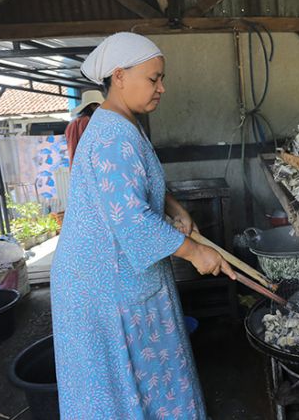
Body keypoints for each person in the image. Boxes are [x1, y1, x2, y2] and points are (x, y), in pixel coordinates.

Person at [50, 32, 236, 419]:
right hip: (105, 287)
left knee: (145, 382)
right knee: (125, 388)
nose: (162, 88)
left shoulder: (120, 123)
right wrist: (197, 252)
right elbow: (132, 221)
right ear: (119, 76)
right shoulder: (111, 137)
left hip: (117, 276)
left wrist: (175, 206)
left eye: (161, 79)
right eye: (154, 79)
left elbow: (134, 185)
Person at [64, 89, 105, 162]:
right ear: (92, 106)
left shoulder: (72, 123)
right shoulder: (89, 122)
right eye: (99, 106)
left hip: (76, 165)